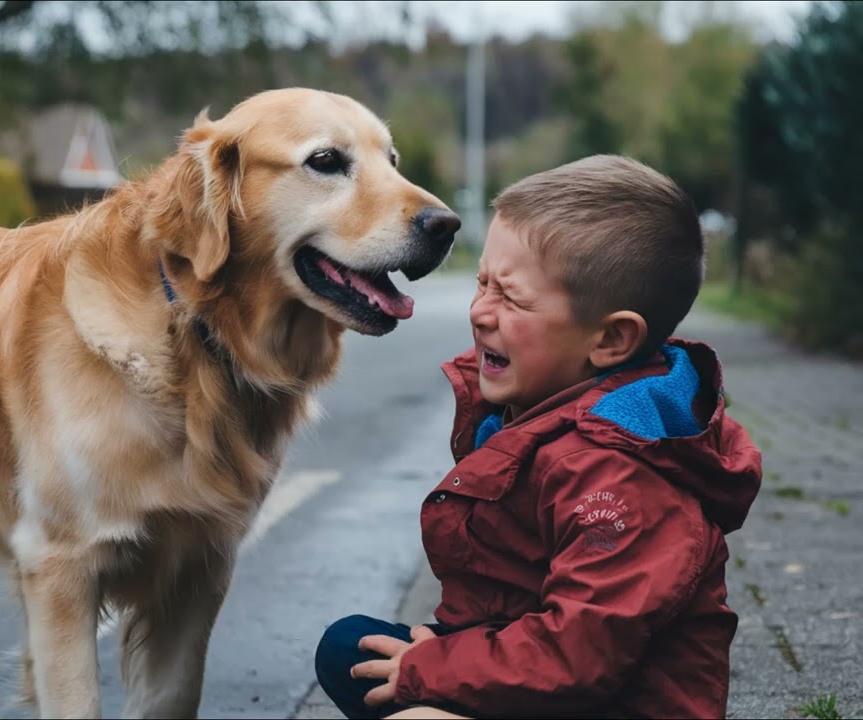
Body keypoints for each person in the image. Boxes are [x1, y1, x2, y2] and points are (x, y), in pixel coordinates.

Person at [314, 154, 764, 719]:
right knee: (350, 648)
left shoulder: (622, 477)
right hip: (533, 660)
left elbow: (578, 656)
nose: (480, 311)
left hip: (604, 696)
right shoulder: (538, 407)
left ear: (611, 341)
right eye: (482, 283)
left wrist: (437, 668)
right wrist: (447, 650)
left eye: (512, 297)